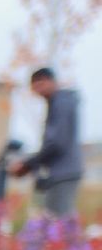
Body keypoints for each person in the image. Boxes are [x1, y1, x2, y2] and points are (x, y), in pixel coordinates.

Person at [11, 67, 83, 218]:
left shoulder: (61, 103)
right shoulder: (59, 103)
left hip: (62, 173)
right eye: (34, 88)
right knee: (56, 220)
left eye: (39, 85)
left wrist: (27, 164)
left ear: (50, 81)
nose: (38, 92)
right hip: (63, 171)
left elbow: (56, 143)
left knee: (56, 221)